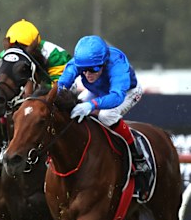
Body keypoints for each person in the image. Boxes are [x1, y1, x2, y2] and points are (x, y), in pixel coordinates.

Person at [57, 35, 150, 199]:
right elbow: (63, 82)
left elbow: (116, 97)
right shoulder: (82, 62)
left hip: (126, 92)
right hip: (99, 90)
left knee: (106, 115)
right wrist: (60, 91)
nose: (87, 74)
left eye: (93, 69)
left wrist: (91, 105)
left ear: (104, 63)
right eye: (84, 70)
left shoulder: (117, 65)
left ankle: (138, 156)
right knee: (70, 111)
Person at [0, 19, 71, 125]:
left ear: (34, 47)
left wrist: (31, 96)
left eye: (22, 47)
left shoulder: (55, 56)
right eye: (14, 47)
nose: (16, 53)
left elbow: (60, 88)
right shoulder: (5, 55)